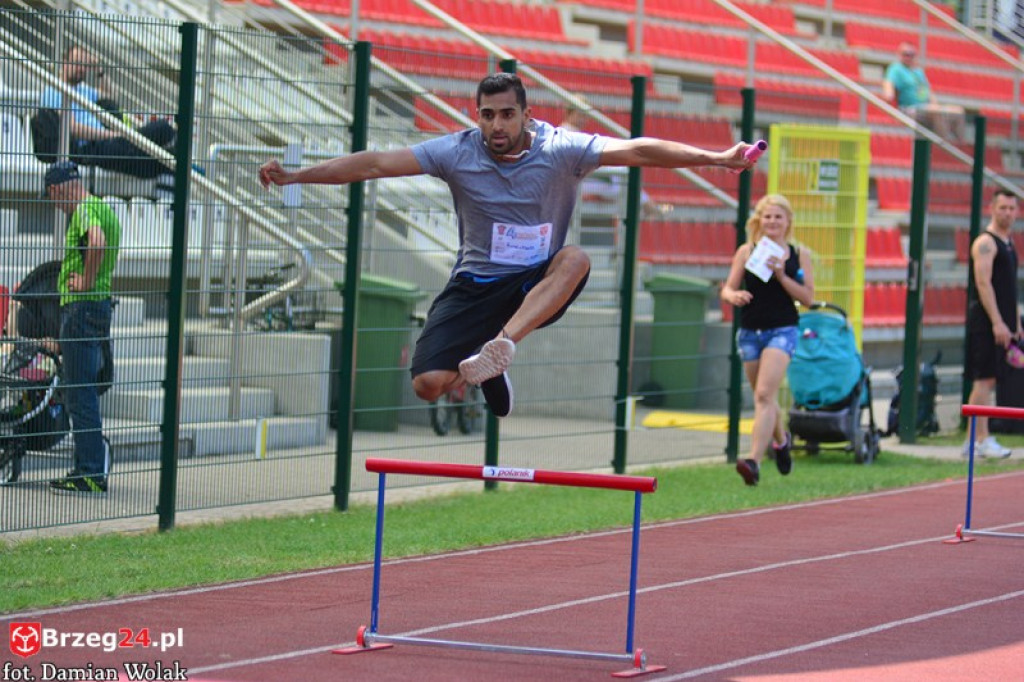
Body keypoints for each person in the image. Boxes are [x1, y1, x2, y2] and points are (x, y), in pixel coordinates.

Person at [260, 73, 758, 418]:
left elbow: (638, 149)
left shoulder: (561, 147)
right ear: (477, 115)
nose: (497, 126)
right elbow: (373, 164)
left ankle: (502, 347)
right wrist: (298, 175)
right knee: (428, 386)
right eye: (487, 115)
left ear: (526, 114)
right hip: (474, 283)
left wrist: (715, 158)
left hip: (534, 283)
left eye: (506, 115)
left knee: (576, 257)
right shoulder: (455, 151)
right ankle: (488, 366)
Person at [720, 194, 814, 485]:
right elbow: (727, 288)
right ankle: (782, 441)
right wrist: (733, 295)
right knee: (766, 397)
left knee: (763, 395)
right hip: (750, 331)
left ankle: (753, 461)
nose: (772, 222)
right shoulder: (747, 251)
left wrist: (782, 276)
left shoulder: (799, 253)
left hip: (782, 330)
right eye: (768, 216)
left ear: (788, 222)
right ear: (759, 220)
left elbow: (808, 297)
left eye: (778, 217)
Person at [44, 161, 121, 494]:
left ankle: (88, 471)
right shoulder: (103, 206)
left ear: (58, 189)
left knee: (79, 393)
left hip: (81, 309)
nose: (56, 206)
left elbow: (97, 241)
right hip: (99, 306)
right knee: (85, 390)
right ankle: (89, 468)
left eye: (52, 198)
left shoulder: (84, 211)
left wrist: (86, 281)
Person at [34, 46, 176, 179]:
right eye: (77, 63)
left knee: (152, 164)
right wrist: (112, 135)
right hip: (90, 147)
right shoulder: (54, 91)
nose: (81, 69)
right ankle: (176, 136)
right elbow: (73, 128)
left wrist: (99, 70)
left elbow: (111, 96)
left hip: (107, 143)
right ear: (64, 63)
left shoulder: (82, 89)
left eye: (85, 66)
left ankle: (178, 157)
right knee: (162, 130)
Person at [963, 189, 1020, 459]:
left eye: (1012, 208)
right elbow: (983, 283)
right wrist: (997, 322)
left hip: (1004, 323)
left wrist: (1015, 321)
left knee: (991, 378)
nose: (1007, 213)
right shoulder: (986, 242)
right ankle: (977, 439)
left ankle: (981, 437)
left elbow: (1008, 287)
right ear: (992, 209)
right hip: (986, 323)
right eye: (1003, 208)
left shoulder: (1009, 243)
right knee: (983, 379)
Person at [882, 42, 965, 142]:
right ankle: (943, 147)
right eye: (905, 54)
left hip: (925, 108)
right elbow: (888, 84)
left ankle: (960, 145)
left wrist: (936, 105)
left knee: (958, 111)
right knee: (935, 112)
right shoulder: (896, 69)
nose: (908, 57)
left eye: (911, 55)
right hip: (909, 108)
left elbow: (928, 91)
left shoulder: (918, 72)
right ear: (899, 54)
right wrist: (888, 94)